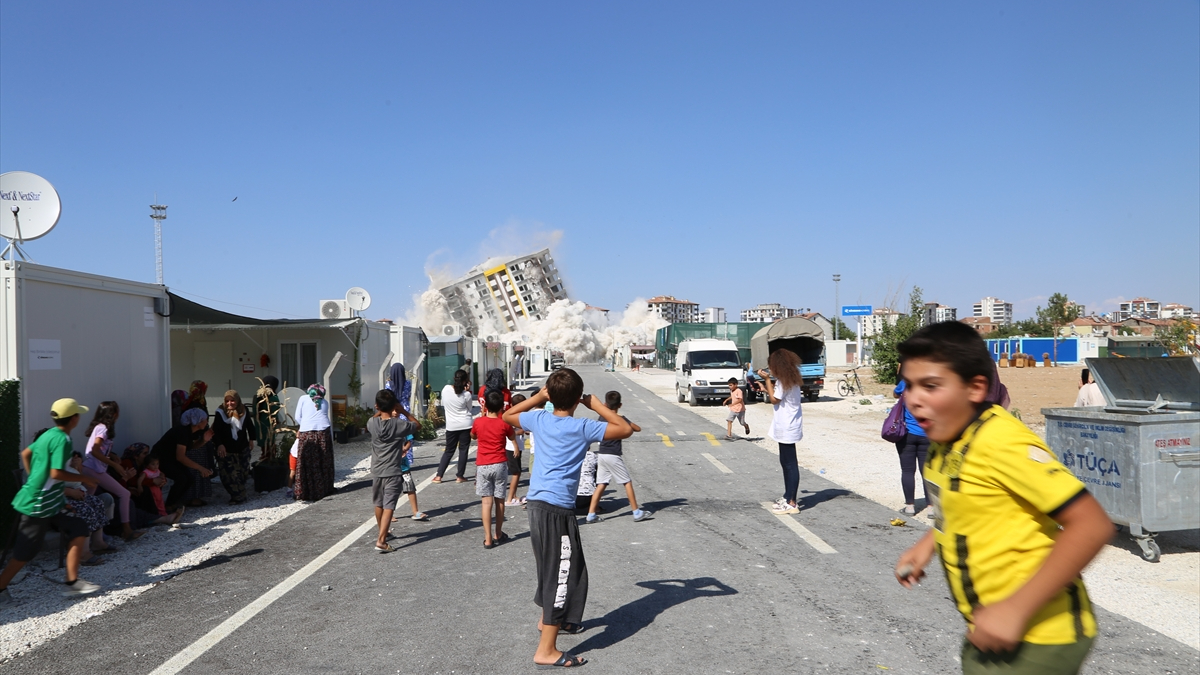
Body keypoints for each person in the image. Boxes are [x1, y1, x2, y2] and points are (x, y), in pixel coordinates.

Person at [893, 322, 1112, 674]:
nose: (913, 398)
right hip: (991, 625)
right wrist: (928, 544)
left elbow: (1092, 524)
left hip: (1039, 634)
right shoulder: (946, 440)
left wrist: (1016, 610)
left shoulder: (1002, 443)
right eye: (908, 385)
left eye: (931, 386)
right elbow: (961, 505)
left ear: (975, 387)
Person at [503, 369, 634, 670]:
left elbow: (509, 416)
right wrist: (596, 405)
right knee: (563, 575)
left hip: (537, 505)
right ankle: (546, 650)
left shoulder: (539, 419)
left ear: (550, 394)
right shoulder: (584, 426)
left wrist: (539, 397)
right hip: (556, 509)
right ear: (578, 399)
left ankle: (548, 620)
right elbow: (624, 429)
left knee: (558, 568)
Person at [0, 399, 102, 603]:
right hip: (37, 505)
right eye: (78, 415)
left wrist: (36, 479)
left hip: (48, 501)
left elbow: (25, 453)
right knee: (24, 553)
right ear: (74, 419)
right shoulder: (63, 440)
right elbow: (56, 473)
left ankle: (72, 582)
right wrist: (84, 478)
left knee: (79, 528)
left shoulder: (48, 434)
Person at [366, 389, 421, 554]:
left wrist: (380, 410)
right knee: (389, 505)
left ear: (377, 406)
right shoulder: (399, 425)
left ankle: (383, 532)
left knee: (378, 503)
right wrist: (403, 410)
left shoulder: (372, 423)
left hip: (376, 470)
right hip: (393, 470)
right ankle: (381, 541)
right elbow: (417, 425)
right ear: (394, 406)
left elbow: (374, 417)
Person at [80, 401, 142, 541]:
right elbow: (95, 451)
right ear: (114, 414)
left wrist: (112, 455)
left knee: (87, 502)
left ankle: (90, 538)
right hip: (94, 470)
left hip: (89, 468)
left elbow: (96, 449)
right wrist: (114, 465)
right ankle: (127, 530)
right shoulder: (103, 429)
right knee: (124, 494)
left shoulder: (98, 427)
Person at [586, 391, 647, 523]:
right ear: (620, 404)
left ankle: (591, 514)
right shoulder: (621, 419)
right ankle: (636, 512)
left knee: (601, 484)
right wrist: (624, 419)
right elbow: (637, 429)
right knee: (627, 482)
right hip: (613, 454)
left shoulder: (601, 418)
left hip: (601, 453)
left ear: (605, 404)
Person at [759, 349, 805, 515]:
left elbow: (774, 400)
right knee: (785, 462)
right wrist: (767, 387)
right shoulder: (787, 380)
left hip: (787, 427)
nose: (770, 369)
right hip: (787, 425)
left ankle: (792, 503)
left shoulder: (782, 382)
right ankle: (787, 496)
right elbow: (777, 397)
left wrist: (767, 380)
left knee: (790, 464)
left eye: (771, 366)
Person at [472, 390, 514, 549]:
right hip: (500, 464)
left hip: (483, 464)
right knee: (500, 500)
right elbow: (511, 437)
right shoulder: (504, 423)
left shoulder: (478, 422)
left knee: (486, 502)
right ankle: (498, 533)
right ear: (501, 406)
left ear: (485, 406)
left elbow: (473, 436)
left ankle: (488, 538)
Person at [151, 408, 215, 512]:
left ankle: (174, 503)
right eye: (205, 419)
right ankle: (169, 506)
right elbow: (180, 457)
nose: (207, 422)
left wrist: (204, 440)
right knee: (182, 478)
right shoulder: (183, 432)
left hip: (170, 459)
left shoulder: (189, 432)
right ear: (198, 421)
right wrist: (200, 468)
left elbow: (190, 447)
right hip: (161, 460)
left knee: (188, 478)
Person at [892, 380, 929, 515]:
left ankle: (910, 507)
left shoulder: (907, 382)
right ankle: (931, 507)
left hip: (907, 433)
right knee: (928, 472)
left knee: (908, 471)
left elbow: (896, 394)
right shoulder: (934, 384)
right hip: (928, 435)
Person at [213, 390, 257, 505]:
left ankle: (241, 494)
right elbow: (215, 431)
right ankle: (236, 496)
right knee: (229, 474)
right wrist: (219, 445)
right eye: (227, 401)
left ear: (237, 400)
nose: (229, 403)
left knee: (243, 472)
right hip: (226, 449)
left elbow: (249, 425)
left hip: (242, 446)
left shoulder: (243, 410)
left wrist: (251, 439)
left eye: (232, 400)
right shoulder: (220, 412)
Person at [293, 384, 335, 501]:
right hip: (323, 431)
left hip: (307, 432)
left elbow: (297, 417)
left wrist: (305, 424)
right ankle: (323, 488)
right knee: (323, 460)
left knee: (306, 461)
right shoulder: (325, 402)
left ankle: (305, 491)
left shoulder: (303, 399)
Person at [434, 370, 474, 484]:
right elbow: (469, 408)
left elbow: (443, 403)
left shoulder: (446, 389)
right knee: (463, 450)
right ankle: (460, 476)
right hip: (466, 424)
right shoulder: (466, 395)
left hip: (451, 426)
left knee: (449, 451)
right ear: (465, 381)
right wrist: (466, 391)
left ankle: (439, 476)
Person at [505, 393, 529, 507]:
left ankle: (514, 495)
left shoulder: (517, 415)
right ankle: (509, 499)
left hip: (516, 446)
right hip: (512, 447)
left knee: (517, 472)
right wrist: (522, 431)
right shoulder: (513, 417)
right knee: (516, 473)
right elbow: (512, 433)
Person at [254, 376, 282, 461]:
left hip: (260, 425)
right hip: (268, 425)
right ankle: (269, 459)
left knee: (264, 446)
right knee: (270, 446)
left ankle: (265, 457)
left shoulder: (258, 396)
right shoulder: (273, 397)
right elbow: (275, 412)